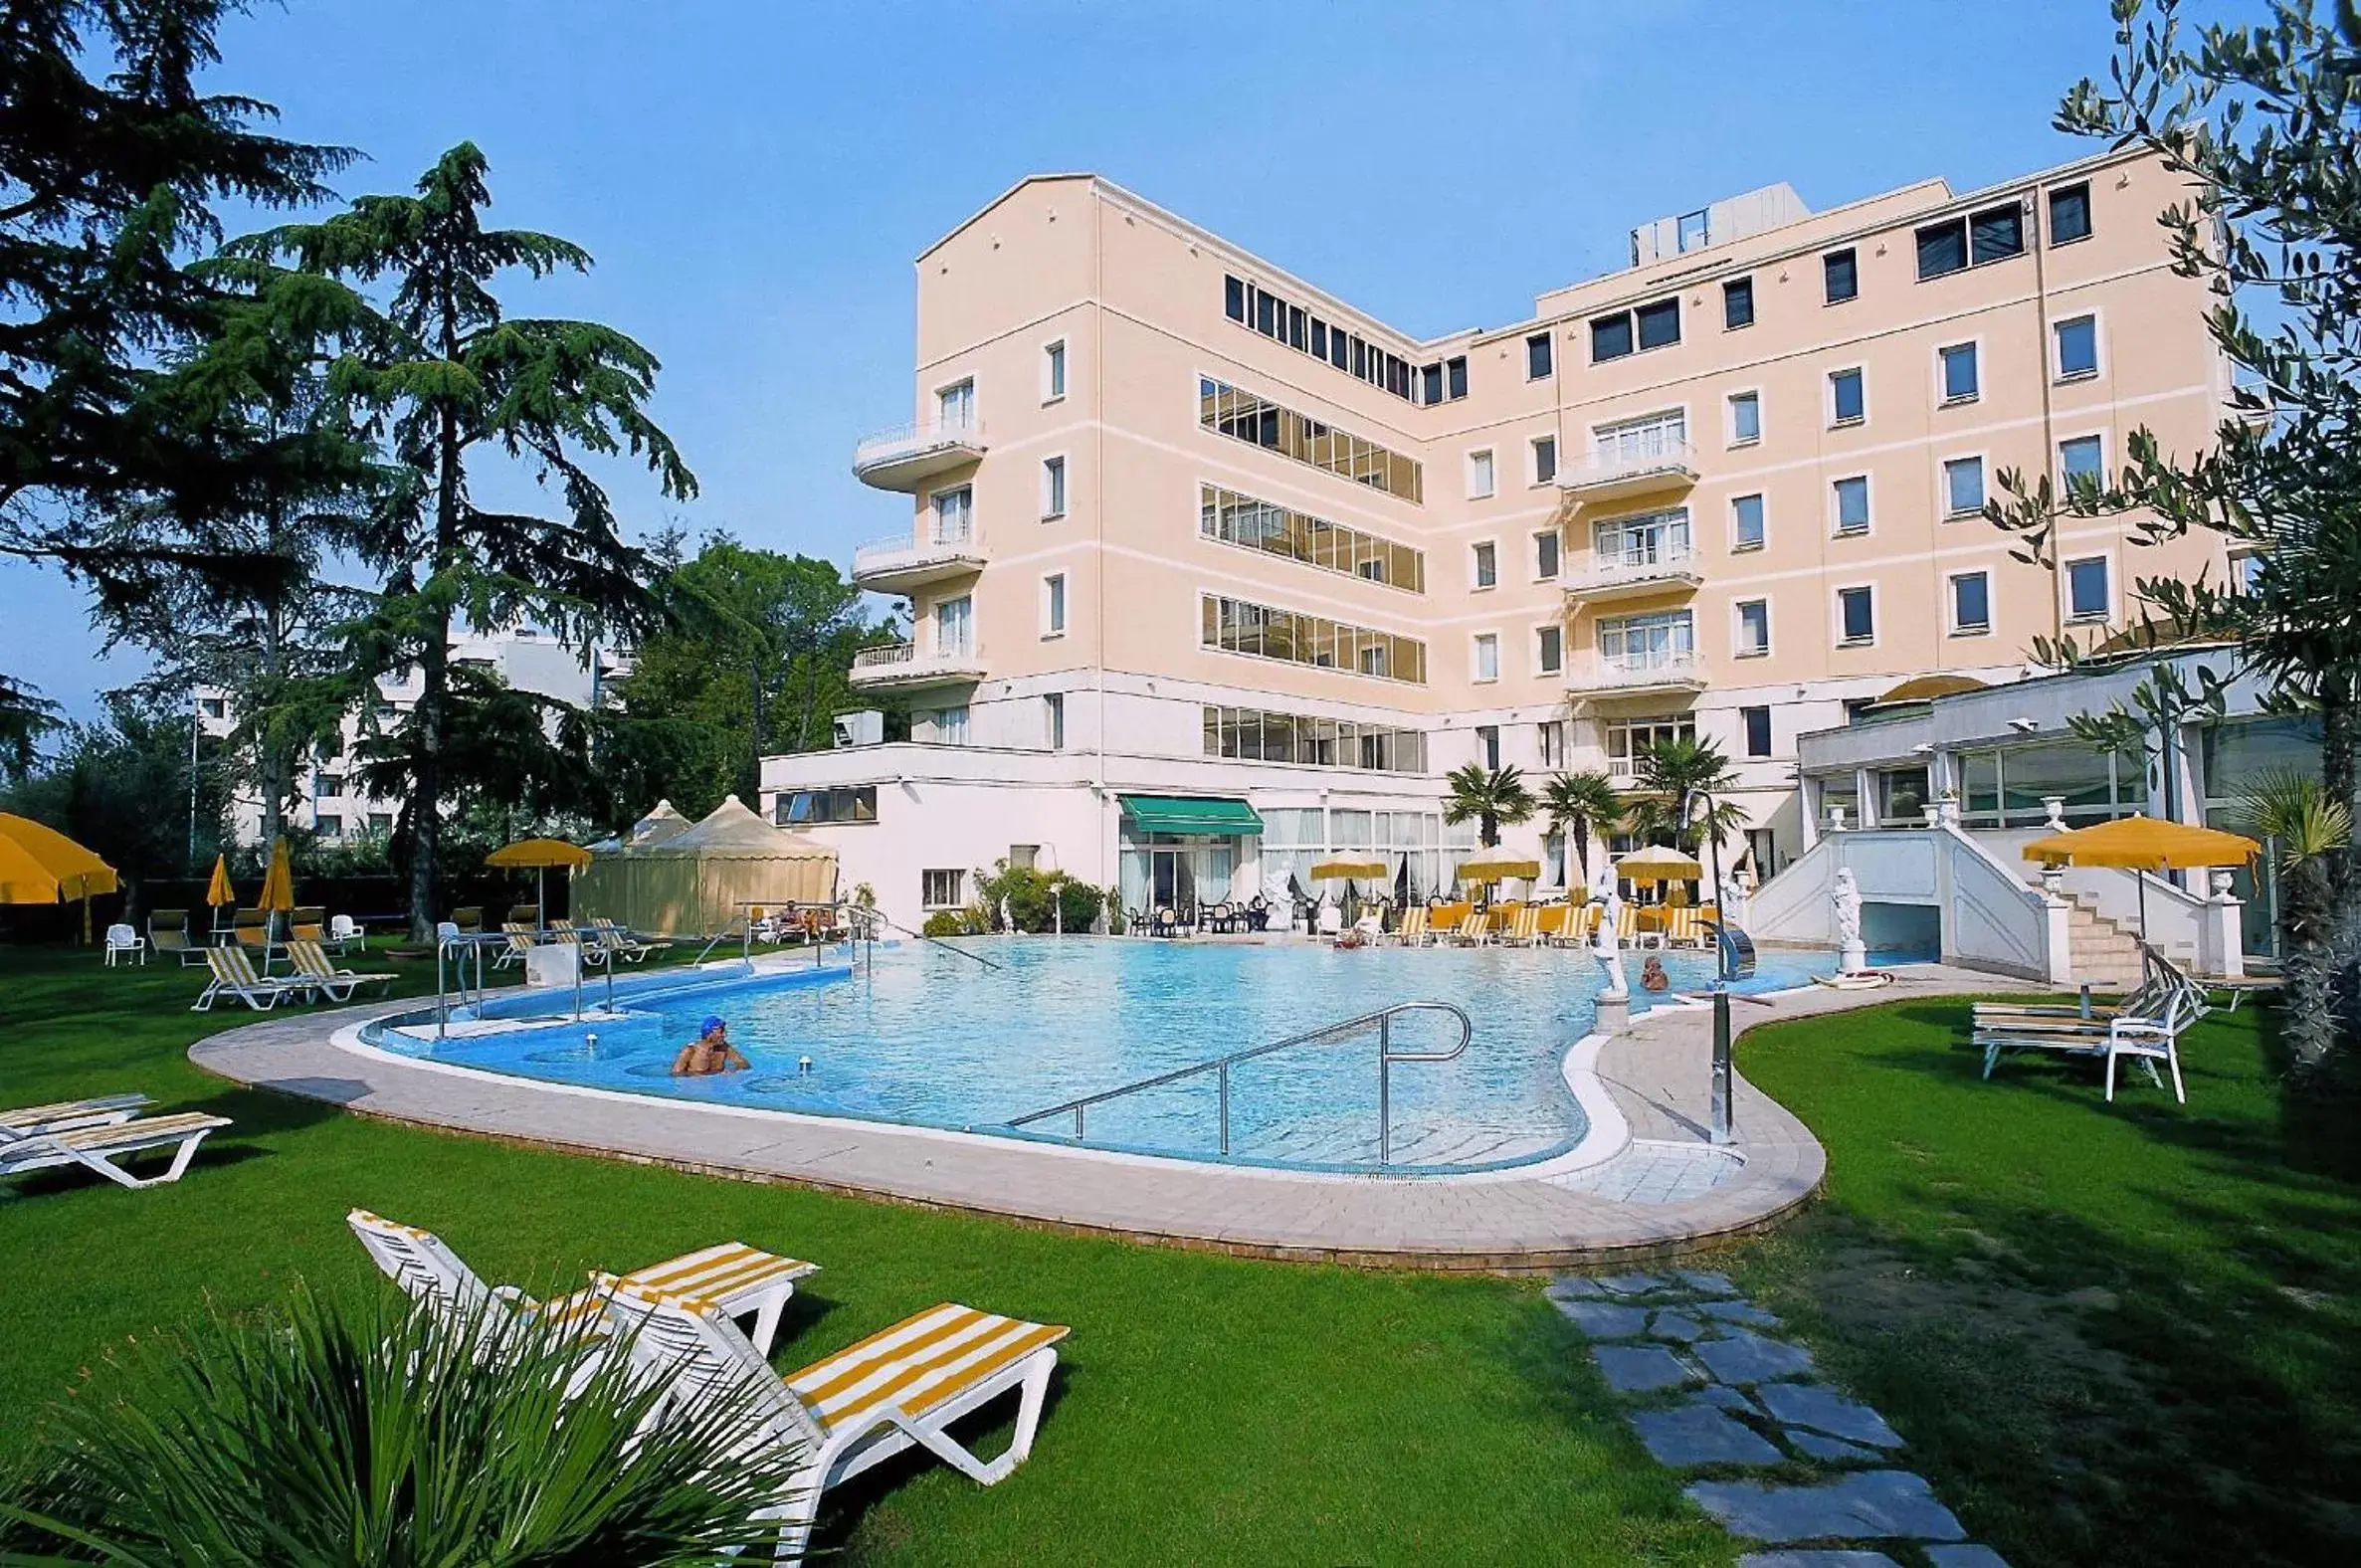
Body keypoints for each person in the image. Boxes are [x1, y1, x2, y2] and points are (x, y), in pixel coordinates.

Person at [672, 1016, 749, 1077]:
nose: (725, 1035)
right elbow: (676, 1074)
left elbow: (744, 1064)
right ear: (709, 1034)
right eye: (721, 1032)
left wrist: (733, 1071)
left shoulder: (724, 1047)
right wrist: (697, 1076)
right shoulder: (691, 1050)